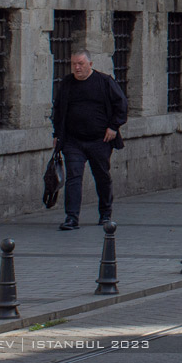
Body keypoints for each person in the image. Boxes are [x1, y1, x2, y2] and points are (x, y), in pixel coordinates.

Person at [52, 50, 128, 230]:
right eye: (74, 64)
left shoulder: (104, 82)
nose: (77, 68)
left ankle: (105, 213)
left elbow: (122, 105)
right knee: (74, 177)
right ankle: (71, 217)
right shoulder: (67, 84)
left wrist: (113, 127)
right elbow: (59, 109)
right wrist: (57, 134)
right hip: (73, 141)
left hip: (99, 140)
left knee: (102, 176)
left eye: (81, 64)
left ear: (90, 64)